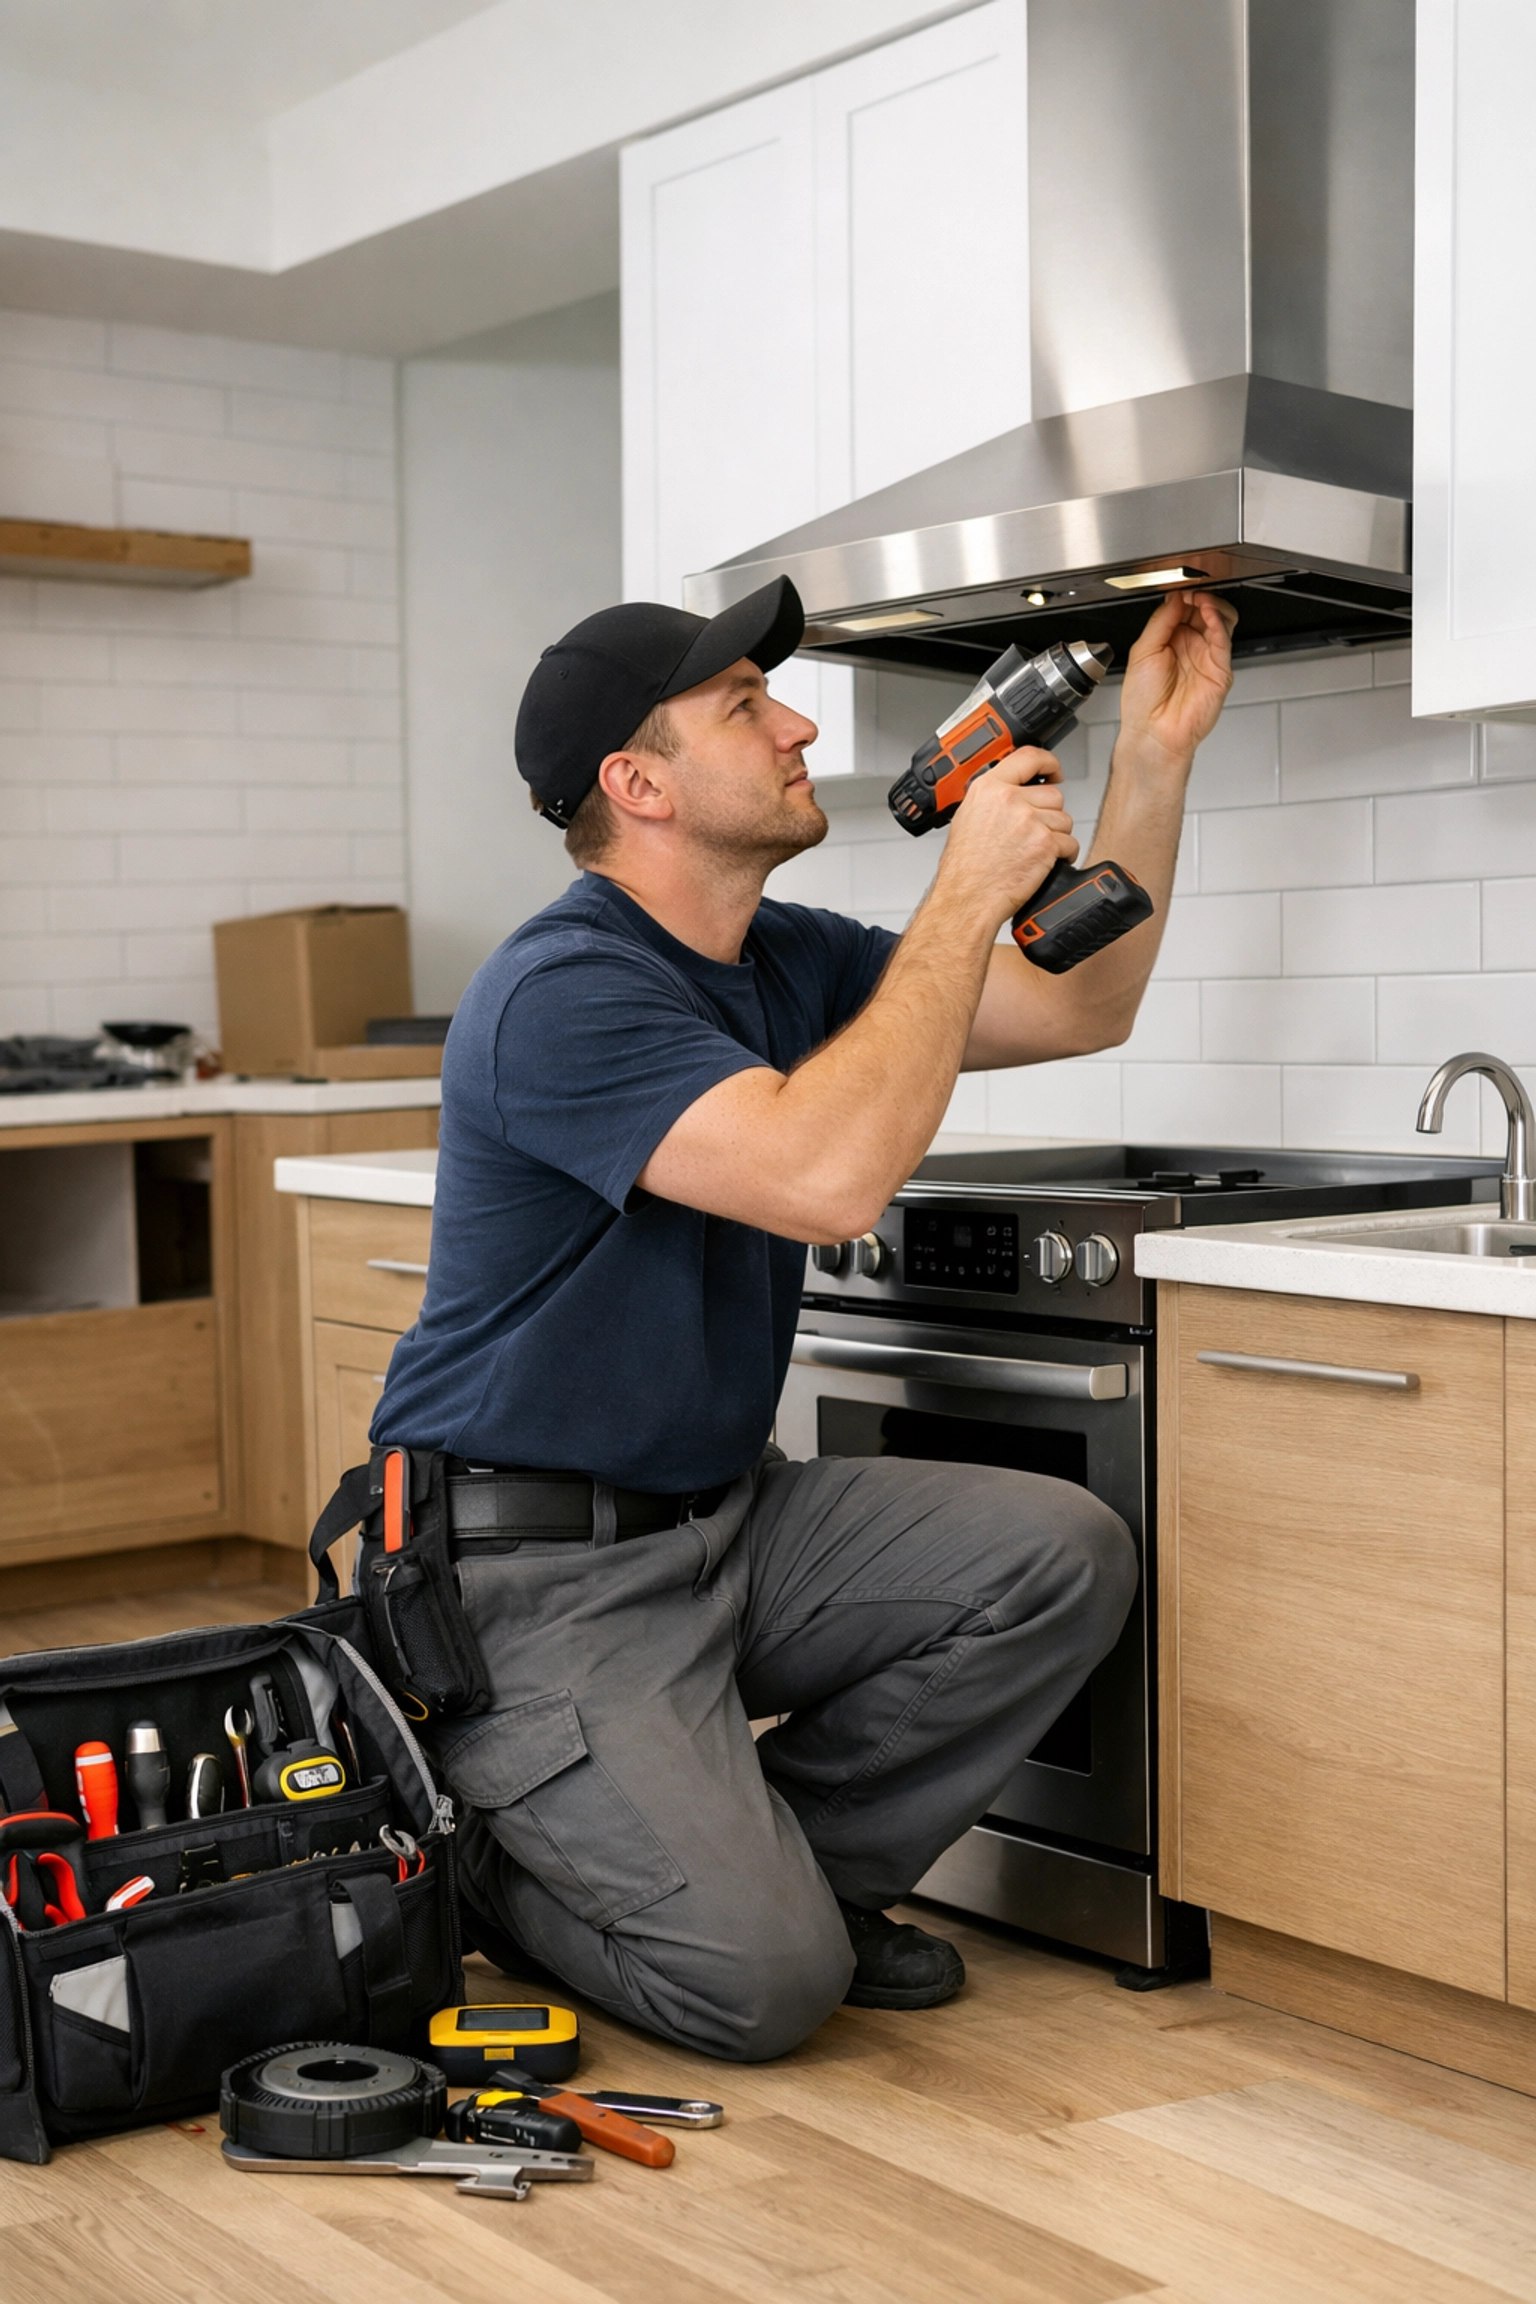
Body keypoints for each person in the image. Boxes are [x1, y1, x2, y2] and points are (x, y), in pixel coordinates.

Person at [372, 574, 1237, 2060]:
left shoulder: (792, 956)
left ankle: (785, 1876)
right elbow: (827, 1179)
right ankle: (507, 1863)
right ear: (637, 785)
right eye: (745, 705)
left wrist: (1153, 761)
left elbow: (1077, 1010)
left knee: (1057, 1555)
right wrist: (964, 891)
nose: (799, 722)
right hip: (534, 1575)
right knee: (761, 1994)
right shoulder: (558, 989)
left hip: (730, 1521)